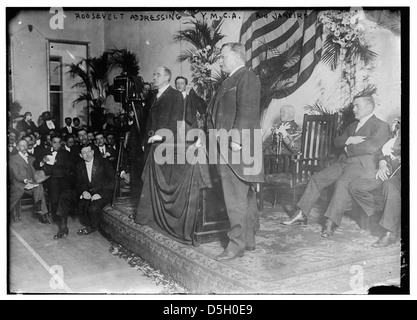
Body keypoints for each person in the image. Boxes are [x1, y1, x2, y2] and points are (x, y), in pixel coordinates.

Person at [281, 94, 391, 238]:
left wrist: (347, 148)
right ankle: (301, 214)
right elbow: (337, 141)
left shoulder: (381, 125)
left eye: (357, 105)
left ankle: (331, 222)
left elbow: (371, 146)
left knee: (342, 183)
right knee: (317, 178)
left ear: (369, 106)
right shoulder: (352, 126)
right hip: (343, 162)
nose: (353, 109)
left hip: (361, 165)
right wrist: (350, 139)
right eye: (353, 105)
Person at [206, 42, 264, 261]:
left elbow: (247, 109)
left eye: (223, 56)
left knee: (234, 197)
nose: (220, 60)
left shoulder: (246, 76)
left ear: (237, 56)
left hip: (236, 145)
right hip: (224, 144)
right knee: (243, 195)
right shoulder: (230, 79)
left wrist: (237, 139)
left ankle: (235, 245)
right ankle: (247, 240)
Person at [349, 117, 401, 247]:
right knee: (355, 186)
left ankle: (389, 233)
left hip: (398, 178)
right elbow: (384, 154)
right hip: (388, 170)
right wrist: (383, 164)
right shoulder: (395, 139)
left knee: (389, 185)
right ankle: (380, 214)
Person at [34, 134, 77, 239]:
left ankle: (63, 226)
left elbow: (70, 168)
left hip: (64, 180)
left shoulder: (66, 153)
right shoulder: (45, 152)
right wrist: (43, 161)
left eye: (58, 142)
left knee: (63, 199)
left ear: (61, 142)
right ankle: (61, 221)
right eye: (54, 142)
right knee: (54, 200)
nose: (56, 144)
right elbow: (35, 164)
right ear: (50, 142)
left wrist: (57, 164)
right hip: (51, 180)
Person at [75, 143, 115, 235]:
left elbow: (113, 181)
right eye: (84, 153)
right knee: (81, 207)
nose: (88, 154)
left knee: (92, 208)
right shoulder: (79, 165)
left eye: (89, 151)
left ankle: (93, 227)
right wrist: (83, 191)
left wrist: (100, 194)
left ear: (93, 152)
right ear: (80, 155)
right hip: (90, 192)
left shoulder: (104, 162)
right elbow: (78, 183)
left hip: (105, 192)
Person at [9, 139, 50, 223]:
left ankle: (40, 211)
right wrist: (25, 180)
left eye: (26, 145)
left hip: (31, 183)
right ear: (17, 147)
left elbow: (36, 170)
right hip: (19, 184)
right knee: (38, 188)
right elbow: (16, 174)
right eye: (22, 145)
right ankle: (40, 209)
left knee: (39, 186)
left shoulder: (32, 158)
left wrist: (42, 162)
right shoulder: (13, 159)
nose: (24, 147)